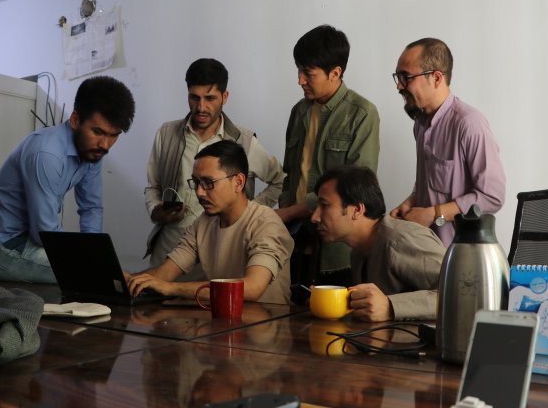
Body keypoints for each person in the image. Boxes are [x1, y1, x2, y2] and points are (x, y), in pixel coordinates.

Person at [0, 75, 135, 283]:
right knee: (102, 278)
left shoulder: (93, 152)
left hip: (34, 242)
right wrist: (98, 267)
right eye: (98, 132)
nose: (105, 145)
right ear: (75, 119)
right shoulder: (46, 153)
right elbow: (44, 232)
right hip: (3, 247)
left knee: (103, 273)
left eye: (113, 135)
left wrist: (94, 256)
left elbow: (91, 208)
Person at [144, 58, 284, 279]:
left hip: (218, 256)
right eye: (194, 98)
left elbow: (280, 181)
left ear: (224, 97)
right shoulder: (166, 133)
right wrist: (156, 210)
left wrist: (246, 211)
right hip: (170, 251)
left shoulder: (244, 141)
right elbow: (153, 186)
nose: (201, 107)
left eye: (210, 98)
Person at [276, 24, 380, 286]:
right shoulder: (298, 112)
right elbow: (289, 174)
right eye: (298, 70)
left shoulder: (362, 114)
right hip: (292, 240)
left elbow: (357, 187)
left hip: (337, 248)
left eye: (308, 74)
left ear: (335, 73)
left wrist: (292, 212)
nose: (300, 80)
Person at [128, 140, 293, 305]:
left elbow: (251, 288)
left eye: (208, 183)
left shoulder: (266, 224)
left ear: (238, 182)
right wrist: (128, 279)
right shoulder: (203, 223)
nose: (199, 192)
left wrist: (171, 288)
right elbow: (164, 274)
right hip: (222, 323)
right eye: (196, 183)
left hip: (268, 325)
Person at [389, 38, 505, 247]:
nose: (399, 85)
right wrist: (411, 202)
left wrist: (435, 214)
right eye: (397, 76)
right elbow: (434, 184)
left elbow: (493, 196)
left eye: (406, 76)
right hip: (427, 251)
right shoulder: (420, 124)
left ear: (436, 78)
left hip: (462, 259)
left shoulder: (469, 123)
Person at [311, 165, 445, 321]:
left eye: (325, 205)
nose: (314, 217)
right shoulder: (358, 251)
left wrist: (390, 306)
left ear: (357, 210)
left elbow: (460, 294)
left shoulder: (402, 239)